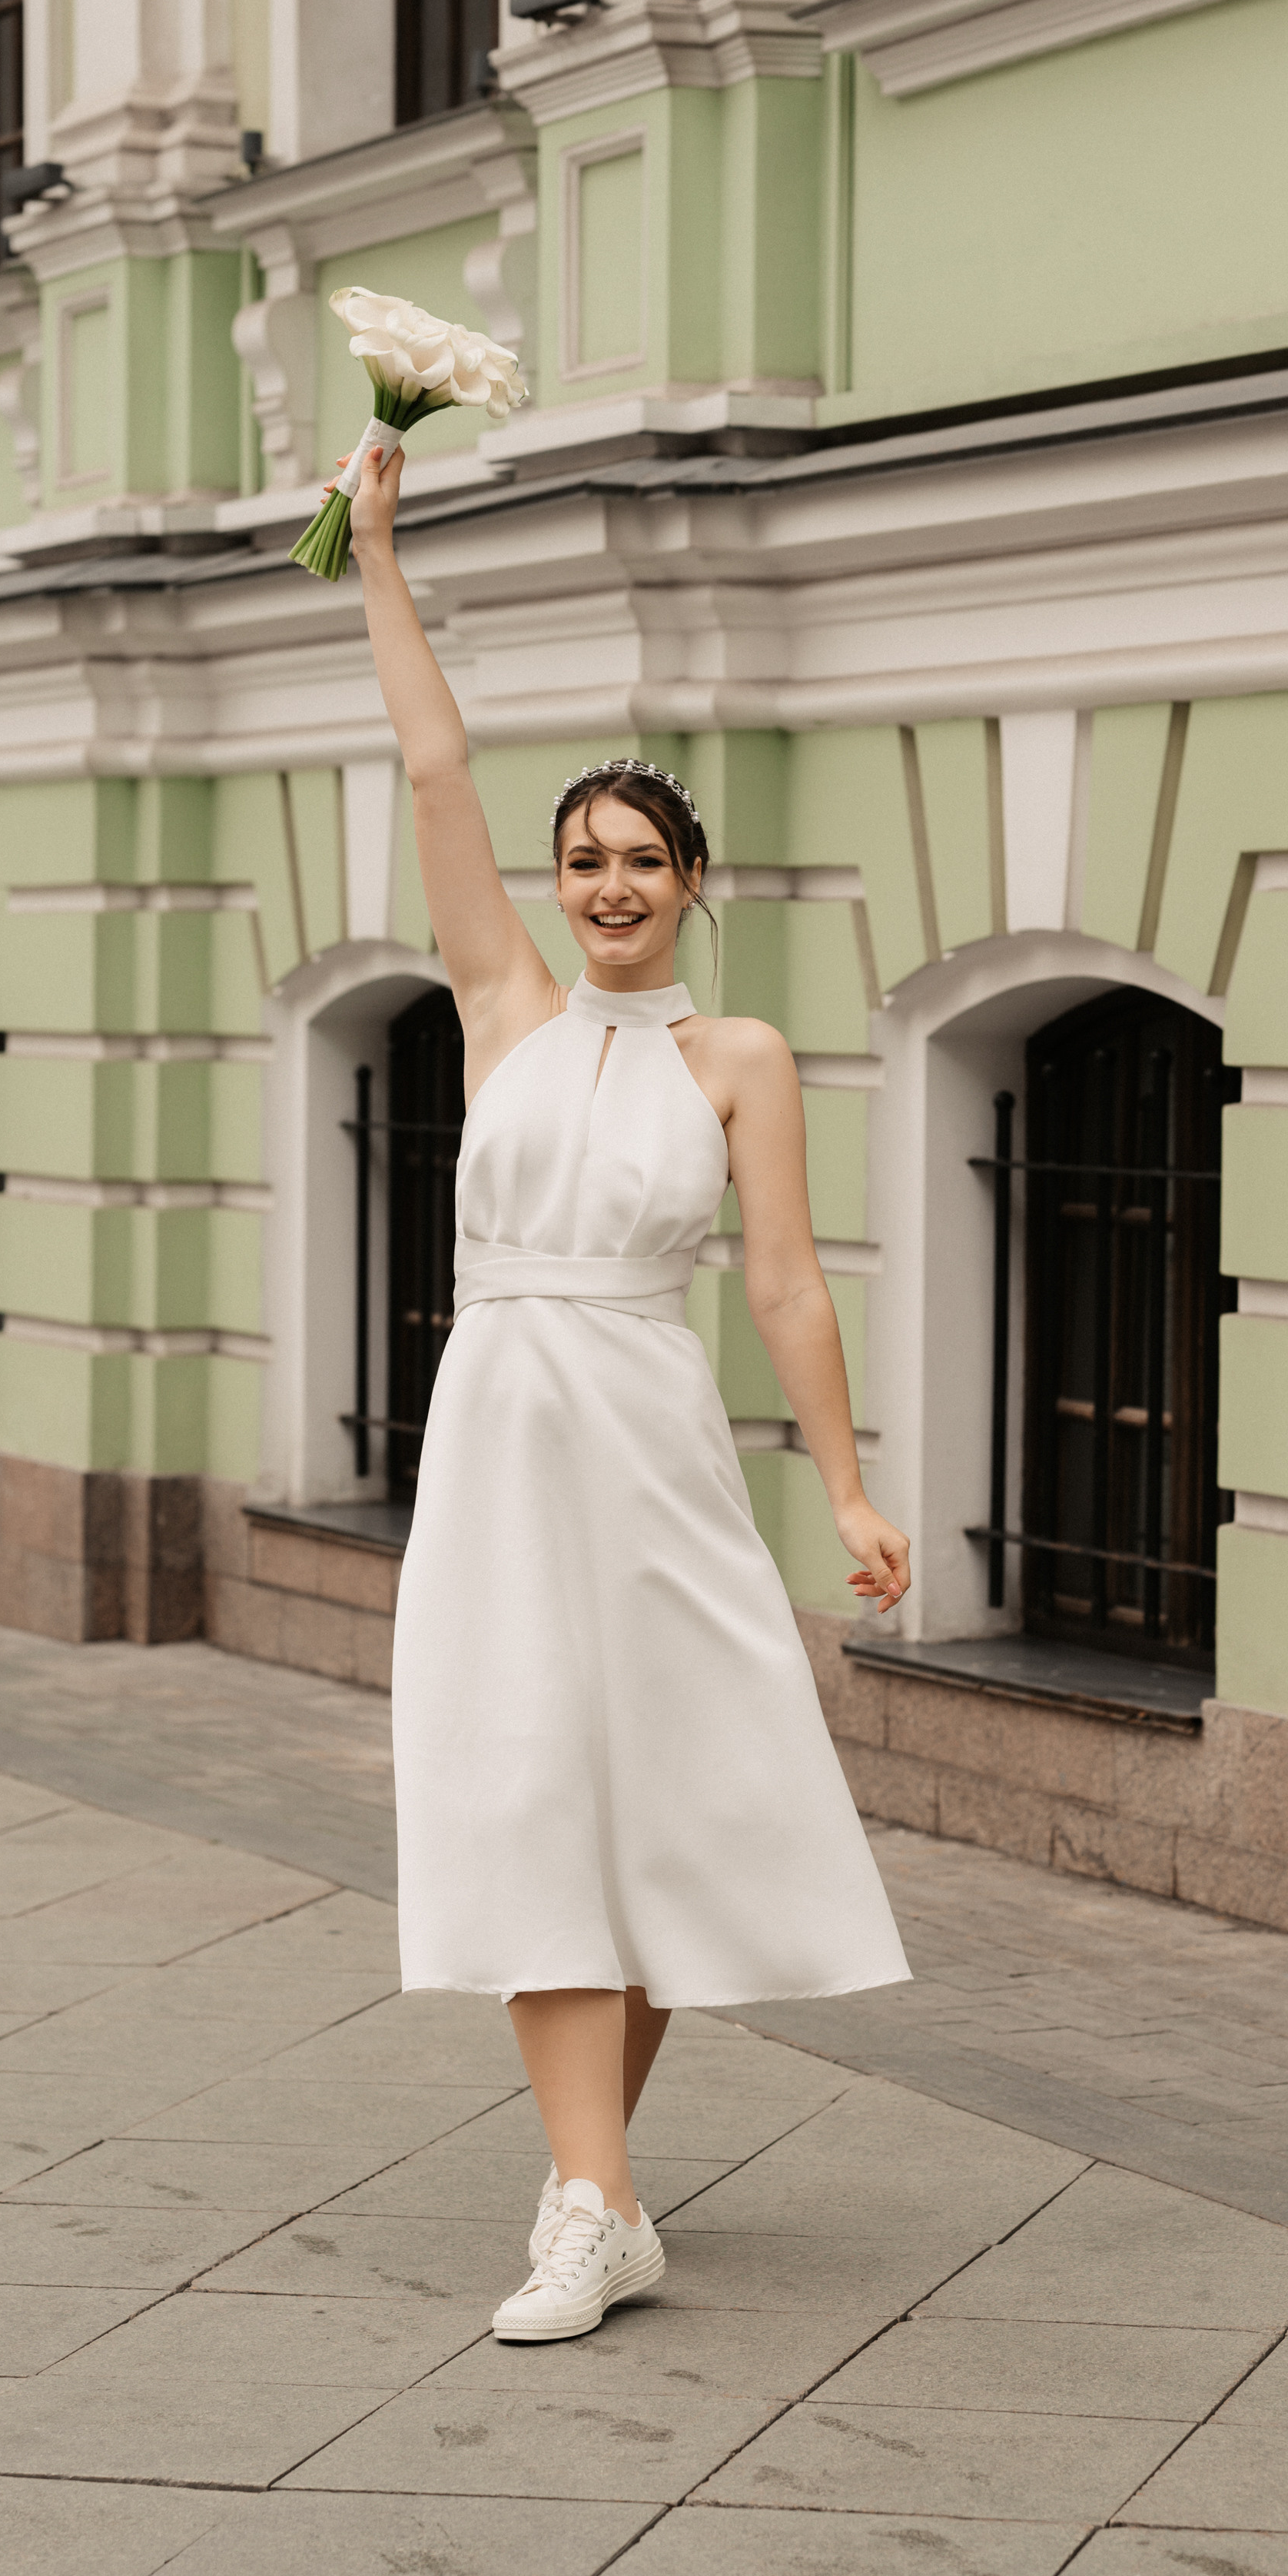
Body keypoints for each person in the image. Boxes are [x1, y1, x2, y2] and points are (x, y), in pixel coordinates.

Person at [344, 440, 912, 2346]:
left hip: (654, 1445)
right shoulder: (501, 1003)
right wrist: (377, 559)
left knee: (659, 1806)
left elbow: (780, 1284)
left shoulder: (740, 1056)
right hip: (503, 1427)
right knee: (526, 1786)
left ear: (688, 886)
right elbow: (436, 766)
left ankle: (594, 2194)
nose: (603, 884)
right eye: (580, 856)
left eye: (637, 861)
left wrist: (841, 1489)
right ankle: (592, 2196)